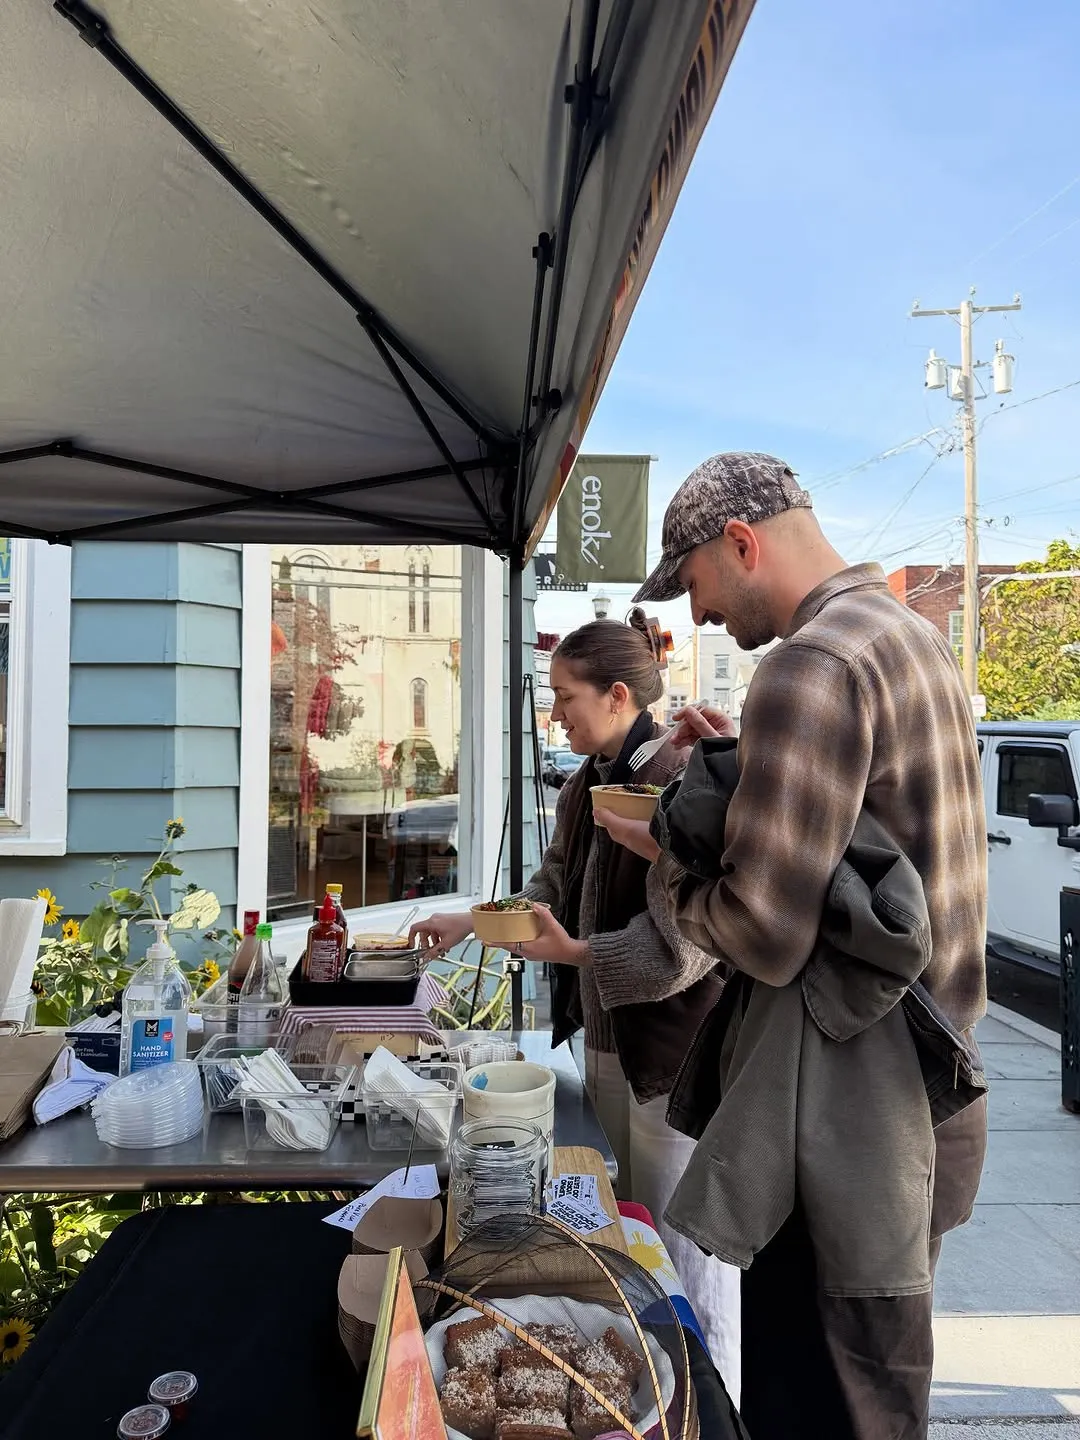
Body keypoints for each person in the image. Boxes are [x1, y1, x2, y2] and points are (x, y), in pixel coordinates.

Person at [601, 452, 988, 1440]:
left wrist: (670, 854)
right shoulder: (909, 637)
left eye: (692, 586)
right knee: (881, 1392)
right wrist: (740, 761)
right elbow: (856, 845)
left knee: (818, 1407)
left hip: (843, 1117)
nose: (694, 620)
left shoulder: (809, 666)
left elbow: (766, 937)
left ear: (740, 543)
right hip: (930, 1090)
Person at [411, 611, 742, 1395]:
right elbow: (554, 887)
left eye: (565, 696)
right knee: (628, 1241)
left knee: (690, 1261)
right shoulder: (585, 785)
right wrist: (469, 921)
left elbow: (684, 951)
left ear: (618, 694)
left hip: (676, 1061)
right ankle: (650, 1393)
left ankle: (716, 1401)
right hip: (605, 1050)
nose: (555, 713)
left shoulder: (678, 784)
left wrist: (574, 954)